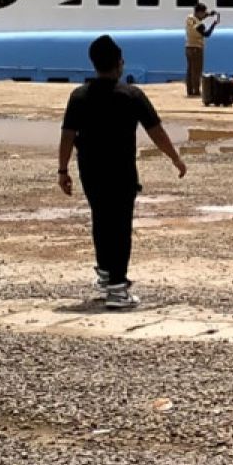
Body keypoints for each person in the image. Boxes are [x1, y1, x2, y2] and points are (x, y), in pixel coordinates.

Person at [58, 35, 187, 309]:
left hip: (90, 170)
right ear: (119, 63)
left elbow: (67, 135)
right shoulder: (132, 95)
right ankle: (117, 287)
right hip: (120, 171)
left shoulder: (79, 96)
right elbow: (156, 132)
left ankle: (105, 275)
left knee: (101, 219)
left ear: (94, 63)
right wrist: (175, 157)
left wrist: (62, 170)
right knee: (119, 226)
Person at [184, 3, 219, 97]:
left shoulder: (190, 18)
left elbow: (200, 18)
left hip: (188, 47)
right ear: (199, 12)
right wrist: (213, 25)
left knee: (190, 71)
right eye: (203, 13)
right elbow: (206, 34)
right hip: (196, 48)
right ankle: (196, 91)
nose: (204, 15)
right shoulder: (199, 24)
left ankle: (189, 90)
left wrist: (209, 14)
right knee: (197, 71)